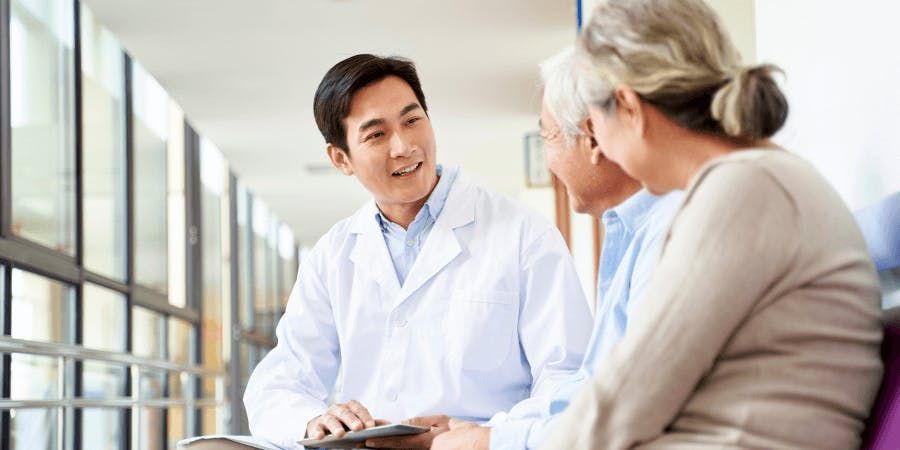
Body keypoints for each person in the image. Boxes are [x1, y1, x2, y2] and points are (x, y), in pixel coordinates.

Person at [543, 0, 881, 448]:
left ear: (627, 106)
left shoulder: (744, 189)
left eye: (594, 123)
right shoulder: (752, 180)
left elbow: (619, 404)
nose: (597, 143)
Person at [242, 54, 593, 450]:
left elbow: (568, 378)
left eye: (412, 121)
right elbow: (281, 380)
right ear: (341, 158)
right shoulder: (334, 255)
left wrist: (487, 437)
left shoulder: (524, 234)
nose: (404, 146)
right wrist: (313, 420)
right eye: (376, 135)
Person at [431, 47, 683, 450]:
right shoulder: (629, 233)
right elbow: (589, 387)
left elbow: (629, 411)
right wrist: (485, 432)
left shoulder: (671, 233)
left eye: (547, 136)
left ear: (593, 137)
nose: (547, 162)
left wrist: (490, 442)